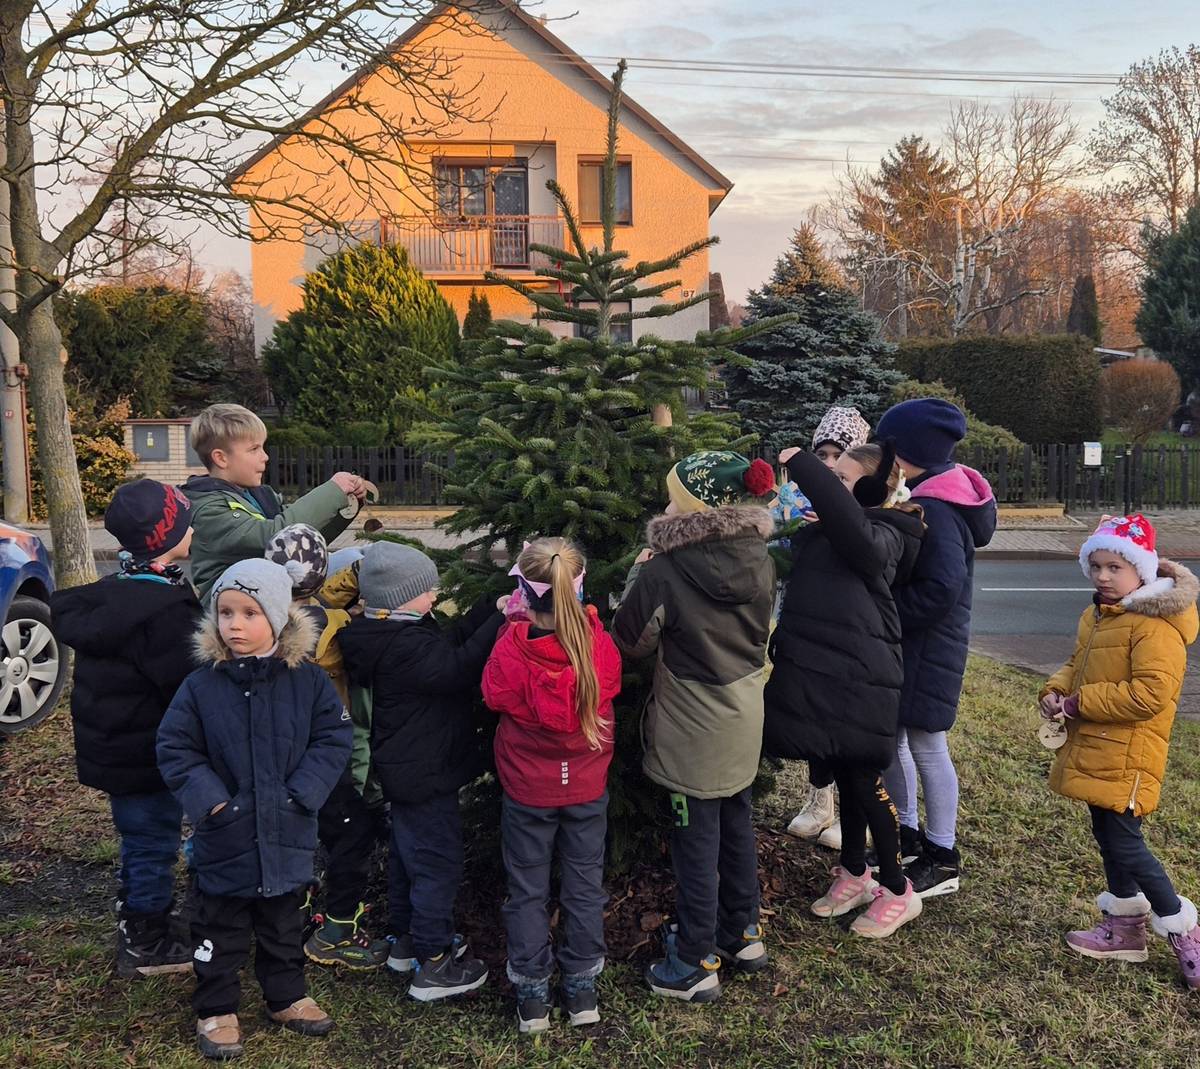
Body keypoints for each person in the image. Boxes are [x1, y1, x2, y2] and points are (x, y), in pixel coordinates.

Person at [157, 559, 352, 1060]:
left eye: (248, 613)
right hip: (226, 832)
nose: (234, 625)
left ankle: (286, 994)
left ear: (278, 618)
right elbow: (177, 748)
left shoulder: (306, 682)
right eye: (225, 613)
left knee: (284, 921)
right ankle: (217, 1007)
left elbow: (333, 738)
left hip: (288, 827)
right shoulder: (202, 686)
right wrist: (213, 802)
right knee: (218, 926)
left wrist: (304, 793)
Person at [612, 450, 776, 1003]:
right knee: (736, 824)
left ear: (692, 510)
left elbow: (630, 642)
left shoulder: (663, 570)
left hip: (691, 731)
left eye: (673, 499)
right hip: (744, 718)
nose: (665, 505)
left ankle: (694, 961)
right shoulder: (761, 555)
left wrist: (638, 570)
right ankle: (744, 934)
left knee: (695, 845)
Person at [764, 443, 925, 937]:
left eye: (843, 479)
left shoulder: (889, 533)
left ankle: (898, 889)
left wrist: (808, 467)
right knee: (838, 768)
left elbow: (858, 540)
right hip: (822, 671)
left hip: (861, 676)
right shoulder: (831, 526)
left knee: (863, 783)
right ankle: (855, 872)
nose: (833, 485)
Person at [50, 479, 203, 979]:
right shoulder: (162, 615)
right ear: (167, 536)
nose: (194, 527)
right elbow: (184, 687)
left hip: (116, 749)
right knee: (153, 842)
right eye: (186, 521)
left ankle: (140, 914)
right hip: (148, 755)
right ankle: (146, 939)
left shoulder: (112, 599)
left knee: (140, 838)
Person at [1041, 514, 1200, 987]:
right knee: (1109, 837)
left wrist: (1079, 703)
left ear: (1142, 570)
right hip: (1097, 747)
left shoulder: (1155, 626)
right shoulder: (1097, 615)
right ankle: (1125, 929)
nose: (1103, 577)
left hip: (1129, 754)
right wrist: (1055, 689)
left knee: (1127, 843)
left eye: (1115, 567)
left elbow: (1150, 694)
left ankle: (1184, 930)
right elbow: (1078, 662)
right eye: (1096, 566)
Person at [339, 541, 502, 1000]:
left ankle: (406, 944)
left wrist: (496, 599)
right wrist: (503, 619)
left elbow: (451, 638)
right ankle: (434, 964)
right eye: (427, 590)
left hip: (410, 770)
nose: (435, 595)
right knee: (437, 864)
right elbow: (458, 666)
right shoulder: (403, 645)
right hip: (424, 773)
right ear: (398, 598)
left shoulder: (396, 629)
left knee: (409, 859)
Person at [482, 538, 623, 1034]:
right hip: (585, 788)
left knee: (527, 889)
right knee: (585, 885)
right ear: (577, 589)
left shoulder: (511, 647)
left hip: (527, 791)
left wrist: (510, 622)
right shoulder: (596, 644)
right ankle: (582, 989)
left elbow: (493, 692)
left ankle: (533, 996)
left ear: (522, 591)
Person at [875, 398, 996, 898]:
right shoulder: (931, 494)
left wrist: (888, 612)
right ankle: (906, 836)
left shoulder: (940, 509)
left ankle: (942, 855)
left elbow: (942, 588)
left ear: (903, 452)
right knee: (899, 740)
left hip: (929, 649)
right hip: (918, 646)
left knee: (927, 745)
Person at [262, 525, 388, 971]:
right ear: (320, 574)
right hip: (320, 753)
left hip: (274, 751)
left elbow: (320, 596)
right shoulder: (331, 626)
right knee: (352, 833)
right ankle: (338, 928)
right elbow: (331, 616)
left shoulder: (261, 613)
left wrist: (351, 573)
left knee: (294, 833)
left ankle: (292, 907)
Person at [783, 406, 872, 851]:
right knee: (811, 713)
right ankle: (819, 802)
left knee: (847, 720)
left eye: (841, 454)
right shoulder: (797, 497)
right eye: (823, 453)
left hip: (848, 629)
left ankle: (860, 811)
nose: (831, 464)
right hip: (804, 621)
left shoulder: (871, 510)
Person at [183, 403, 367, 601]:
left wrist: (346, 505)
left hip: (272, 592)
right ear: (221, 458)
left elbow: (304, 542)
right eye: (254, 449)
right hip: (236, 610)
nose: (265, 456)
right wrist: (333, 491)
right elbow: (276, 536)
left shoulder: (258, 496)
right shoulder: (209, 509)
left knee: (363, 556)